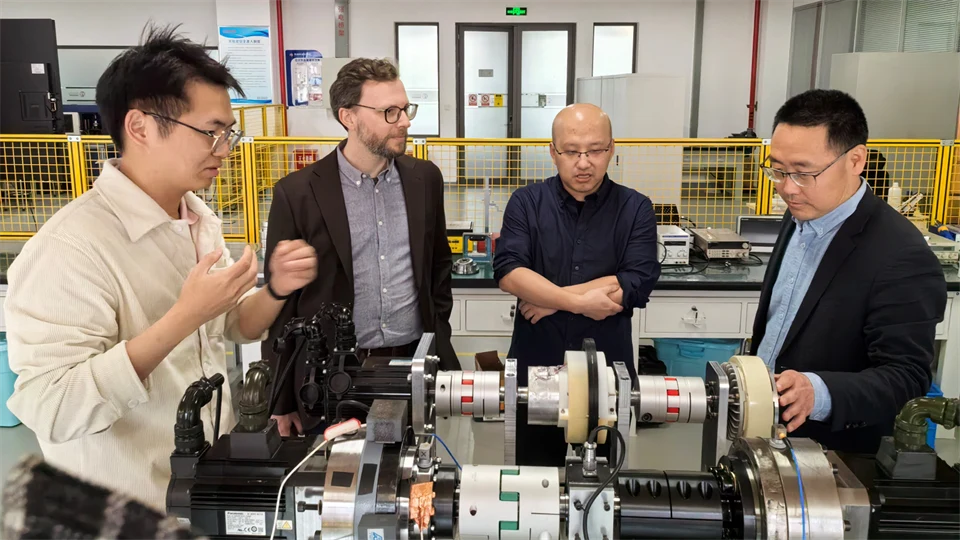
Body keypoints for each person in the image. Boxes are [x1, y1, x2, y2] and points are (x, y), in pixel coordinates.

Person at [3, 26, 318, 511]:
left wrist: (275, 288)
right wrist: (182, 318)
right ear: (141, 127)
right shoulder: (70, 249)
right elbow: (54, 408)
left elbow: (233, 323)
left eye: (229, 133)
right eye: (211, 132)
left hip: (203, 485)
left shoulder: (197, 218)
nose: (226, 148)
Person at [264, 58, 458, 437]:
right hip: (332, 375)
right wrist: (280, 398)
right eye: (389, 112)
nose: (404, 121)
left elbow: (438, 267)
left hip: (412, 366)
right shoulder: (298, 193)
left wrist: (439, 338)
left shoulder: (425, 180)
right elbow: (283, 305)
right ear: (348, 117)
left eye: (405, 109)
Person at [752, 89, 946, 453]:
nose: (786, 188)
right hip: (767, 433)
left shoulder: (901, 256)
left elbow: (907, 377)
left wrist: (817, 392)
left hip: (833, 456)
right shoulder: (800, 213)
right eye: (777, 170)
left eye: (804, 173)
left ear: (856, 160)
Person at [493, 103, 661, 466]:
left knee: (602, 490)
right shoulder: (527, 202)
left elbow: (634, 282)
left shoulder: (636, 209)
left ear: (611, 149)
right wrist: (582, 302)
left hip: (606, 381)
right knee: (532, 488)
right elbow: (509, 272)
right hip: (535, 375)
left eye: (595, 150)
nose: (584, 162)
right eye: (571, 151)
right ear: (553, 152)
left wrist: (553, 299)